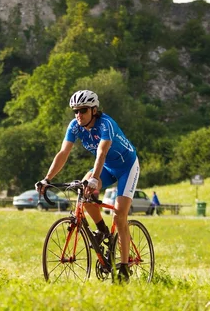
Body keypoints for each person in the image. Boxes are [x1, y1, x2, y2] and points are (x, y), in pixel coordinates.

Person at [36, 90, 140, 283]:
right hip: (107, 167)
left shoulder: (105, 124)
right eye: (75, 111)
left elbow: (101, 152)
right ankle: (102, 230)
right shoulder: (75, 126)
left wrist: (95, 178)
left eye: (83, 110)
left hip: (127, 167)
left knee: (119, 215)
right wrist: (47, 178)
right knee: (84, 193)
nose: (79, 115)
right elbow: (63, 152)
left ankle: (124, 267)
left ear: (94, 110)